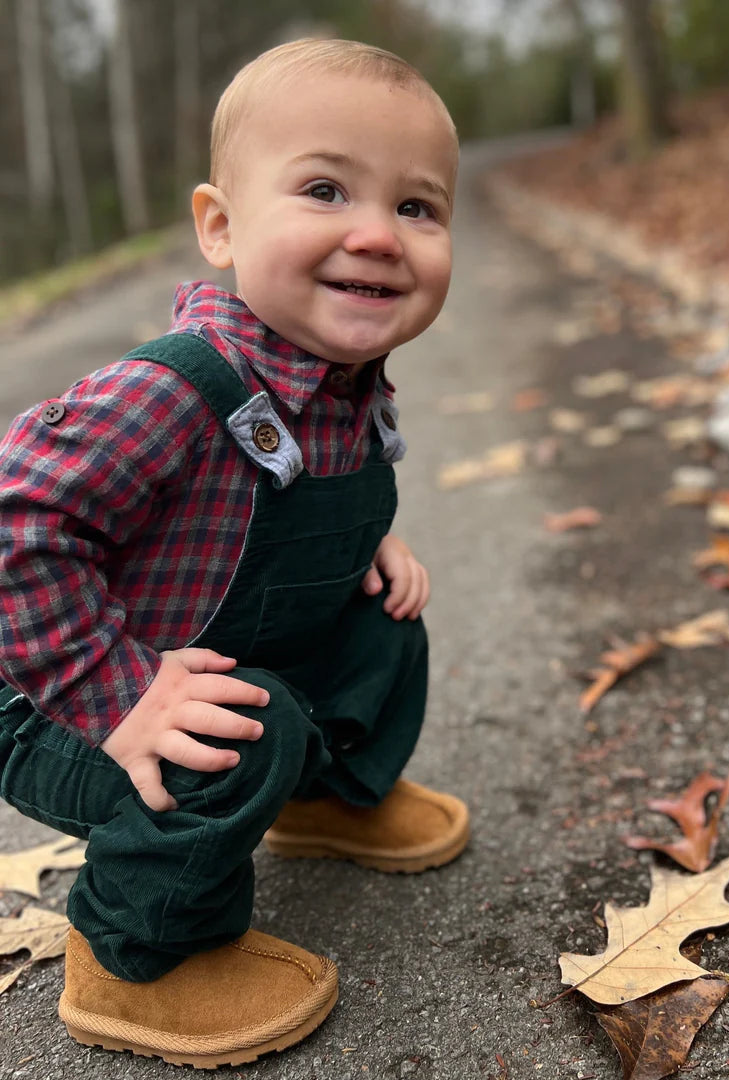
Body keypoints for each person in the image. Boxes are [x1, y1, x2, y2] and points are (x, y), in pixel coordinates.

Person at [0, 38, 467, 1068]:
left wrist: (370, 541)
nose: (378, 236)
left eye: (418, 207)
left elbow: (273, 507)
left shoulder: (344, 383)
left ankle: (326, 802)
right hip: (51, 693)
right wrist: (116, 691)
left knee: (379, 625)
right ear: (220, 225)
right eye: (325, 189)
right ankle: (135, 960)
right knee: (228, 732)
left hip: (203, 645)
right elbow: (13, 522)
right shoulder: (171, 388)